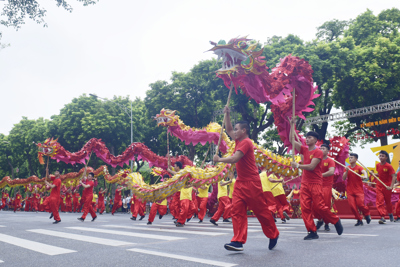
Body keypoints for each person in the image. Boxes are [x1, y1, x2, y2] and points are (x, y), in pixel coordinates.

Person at [213, 106, 279, 251]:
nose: (234, 132)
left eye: (237, 129)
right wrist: (228, 114)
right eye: (235, 129)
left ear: (244, 131)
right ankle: (238, 241)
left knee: (261, 211)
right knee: (237, 211)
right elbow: (229, 129)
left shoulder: (246, 142)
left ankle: (273, 233)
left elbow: (236, 158)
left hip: (252, 183)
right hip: (240, 183)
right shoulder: (238, 140)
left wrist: (220, 159)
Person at [289, 123, 343, 240]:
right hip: (305, 183)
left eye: (310, 137)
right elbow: (291, 140)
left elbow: (312, 167)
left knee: (319, 206)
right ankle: (312, 231)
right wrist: (292, 125)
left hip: (316, 183)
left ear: (315, 140)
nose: (307, 139)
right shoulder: (304, 149)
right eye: (306, 137)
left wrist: (298, 166)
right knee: (305, 208)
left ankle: (335, 220)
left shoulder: (318, 152)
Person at [342, 153, 371, 226]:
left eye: (351, 157)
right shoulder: (347, 167)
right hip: (350, 190)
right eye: (349, 158)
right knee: (352, 206)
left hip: (358, 190)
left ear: (356, 159)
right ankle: (359, 219)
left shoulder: (359, 168)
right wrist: (347, 171)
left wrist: (365, 176)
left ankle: (367, 214)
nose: (350, 159)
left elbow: (364, 173)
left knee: (360, 205)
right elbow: (343, 178)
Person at [369, 150, 396, 224]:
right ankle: (382, 217)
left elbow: (393, 176)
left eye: (383, 156)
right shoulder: (378, 165)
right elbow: (379, 174)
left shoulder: (389, 166)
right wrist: (373, 173)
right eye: (380, 156)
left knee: (388, 202)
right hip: (379, 186)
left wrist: (391, 186)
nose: (381, 157)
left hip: (387, 186)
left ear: (386, 157)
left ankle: (390, 213)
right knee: (379, 201)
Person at [314, 144, 336, 231]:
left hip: (326, 186)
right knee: (315, 205)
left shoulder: (330, 161)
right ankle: (320, 220)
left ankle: (327, 223)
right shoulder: (315, 160)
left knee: (326, 205)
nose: (321, 150)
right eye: (320, 148)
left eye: (324, 148)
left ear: (328, 151)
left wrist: (320, 175)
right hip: (316, 185)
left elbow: (331, 172)